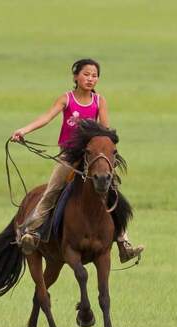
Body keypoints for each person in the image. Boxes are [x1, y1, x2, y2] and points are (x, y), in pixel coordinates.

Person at [10, 58, 144, 262]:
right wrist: (23, 130)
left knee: (112, 192)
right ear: (76, 76)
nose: (90, 79)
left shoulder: (100, 101)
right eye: (86, 74)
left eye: (94, 75)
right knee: (53, 190)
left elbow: (104, 132)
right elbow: (46, 118)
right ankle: (32, 232)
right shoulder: (66, 99)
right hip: (69, 155)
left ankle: (123, 242)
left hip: (92, 157)